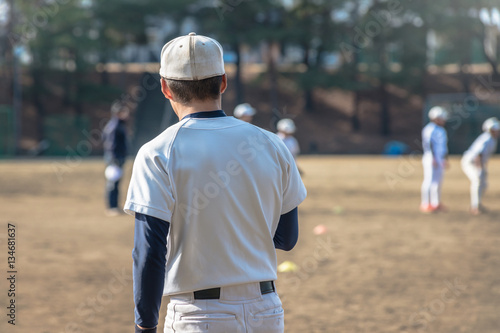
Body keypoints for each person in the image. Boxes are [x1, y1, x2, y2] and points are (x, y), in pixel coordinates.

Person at [124, 32, 307, 333]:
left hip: (199, 315)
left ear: (165, 88)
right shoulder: (273, 144)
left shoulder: (157, 152)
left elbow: (149, 251)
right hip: (266, 311)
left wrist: (145, 325)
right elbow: (286, 239)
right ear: (223, 81)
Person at [461, 117, 500, 215]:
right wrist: (480, 168)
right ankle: (475, 207)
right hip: (470, 162)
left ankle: (478, 204)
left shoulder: (492, 139)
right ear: (490, 130)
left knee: (484, 184)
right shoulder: (486, 138)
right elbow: (478, 155)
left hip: (478, 163)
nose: (497, 131)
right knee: (477, 181)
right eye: (495, 129)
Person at [102, 101, 130, 216]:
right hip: (115, 159)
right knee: (112, 183)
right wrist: (115, 159)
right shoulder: (115, 127)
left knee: (115, 183)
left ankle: (115, 206)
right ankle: (111, 207)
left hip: (116, 158)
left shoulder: (117, 125)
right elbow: (110, 144)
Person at [420, 106, 449, 213]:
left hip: (439, 159)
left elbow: (443, 146)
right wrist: (433, 158)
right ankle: (425, 203)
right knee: (429, 180)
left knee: (438, 182)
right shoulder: (429, 129)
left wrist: (445, 159)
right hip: (431, 158)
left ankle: (436, 203)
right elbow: (429, 144)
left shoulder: (442, 130)